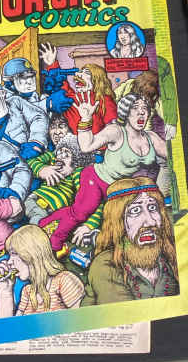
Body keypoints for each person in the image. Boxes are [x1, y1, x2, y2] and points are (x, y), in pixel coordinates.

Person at [39, 90, 167, 251]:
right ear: (126, 112)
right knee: (80, 213)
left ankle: (46, 222)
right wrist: (85, 119)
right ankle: (55, 242)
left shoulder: (151, 137)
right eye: (135, 107)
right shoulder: (116, 131)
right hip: (96, 180)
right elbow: (86, 146)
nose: (141, 112)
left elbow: (172, 155)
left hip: (119, 189)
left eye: (145, 108)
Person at [82, 177, 179, 304]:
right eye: (135, 210)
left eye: (152, 207)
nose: (150, 222)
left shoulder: (169, 255)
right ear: (118, 221)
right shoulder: (106, 264)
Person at [0, 224, 85, 316]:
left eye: (14, 254)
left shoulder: (64, 281)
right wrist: (5, 293)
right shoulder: (27, 292)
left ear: (33, 254)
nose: (9, 262)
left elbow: (81, 320)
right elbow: (7, 325)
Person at [39, 43, 117, 136]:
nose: (77, 74)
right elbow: (62, 85)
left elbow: (113, 129)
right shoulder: (72, 99)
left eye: (86, 72)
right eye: (79, 72)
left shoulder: (105, 100)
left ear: (97, 79)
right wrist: (52, 63)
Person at [0, 78, 48, 159]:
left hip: (32, 154)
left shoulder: (15, 103)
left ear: (3, 95)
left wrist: (36, 141)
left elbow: (38, 116)